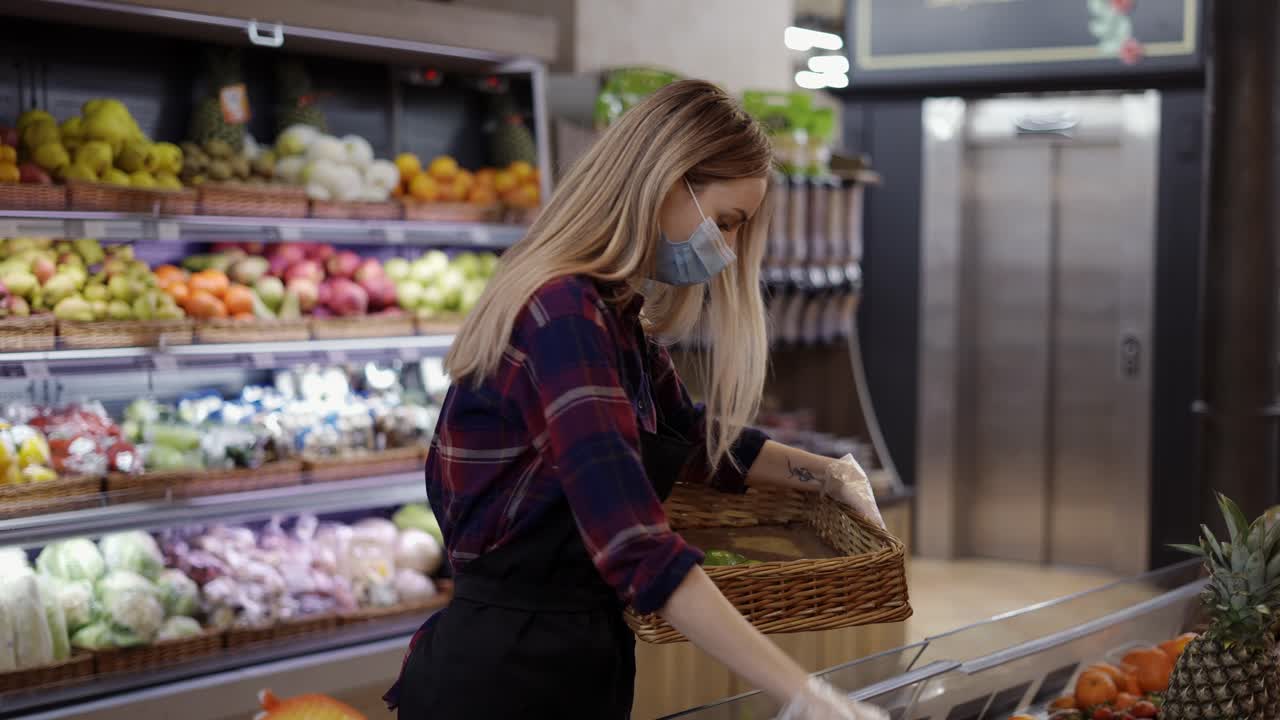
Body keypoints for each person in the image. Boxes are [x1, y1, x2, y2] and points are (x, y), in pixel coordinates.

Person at [387, 80, 888, 720]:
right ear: (666, 182)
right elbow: (634, 542)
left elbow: (689, 440)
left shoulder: (616, 315)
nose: (728, 250)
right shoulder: (562, 313)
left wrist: (827, 475)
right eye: (725, 222)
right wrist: (803, 695)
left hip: (573, 657)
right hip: (504, 677)